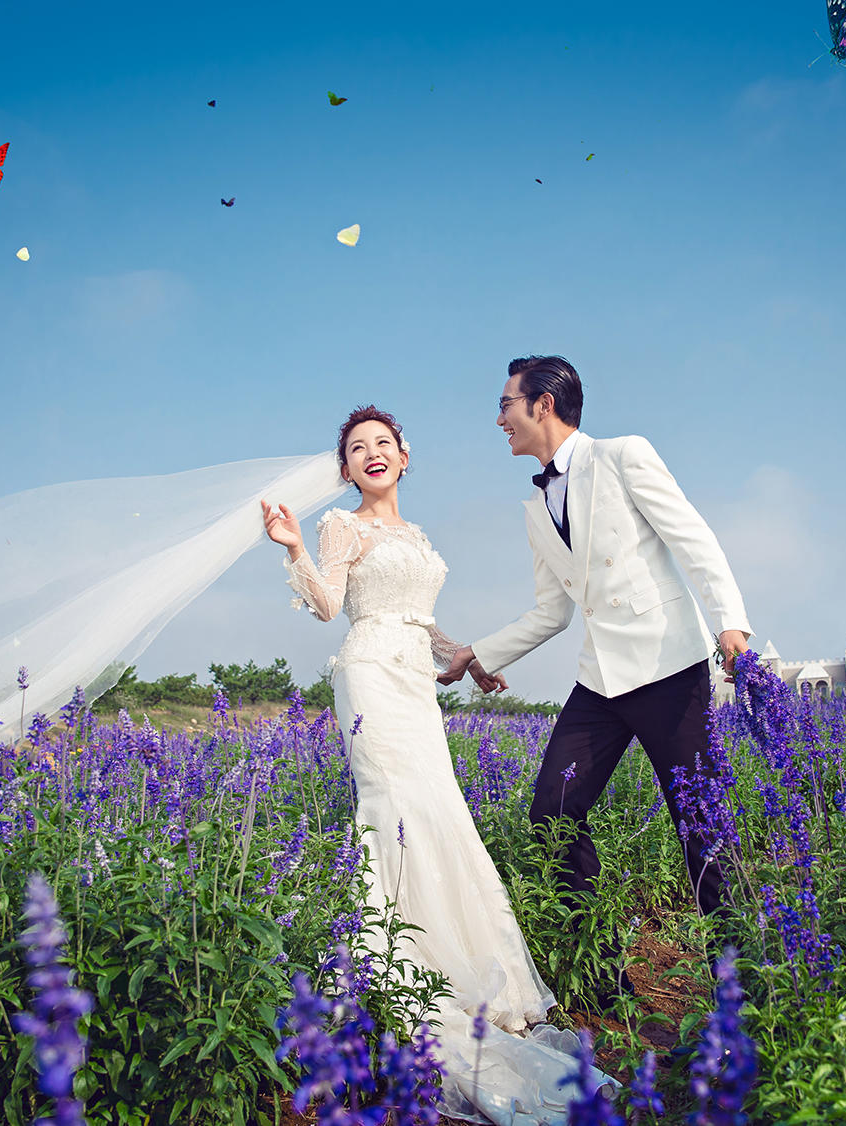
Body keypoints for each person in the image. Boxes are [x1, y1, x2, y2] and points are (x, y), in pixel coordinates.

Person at [263, 404, 612, 1125]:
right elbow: (330, 605)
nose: (371, 453)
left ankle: (464, 967)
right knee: (393, 811)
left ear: (403, 455)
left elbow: (421, 623)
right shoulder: (341, 526)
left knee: (439, 811)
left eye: (382, 443)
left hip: (416, 683)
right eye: (356, 448)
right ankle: (396, 979)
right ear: (345, 468)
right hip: (368, 674)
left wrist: (469, 661)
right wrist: (293, 548)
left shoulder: (415, 535)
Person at [439, 355, 757, 1007]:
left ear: (543, 404)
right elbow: (551, 612)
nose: (499, 419)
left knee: (700, 825)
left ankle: (741, 996)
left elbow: (692, 538)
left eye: (505, 404)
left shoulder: (623, 455)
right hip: (600, 681)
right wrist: (479, 655)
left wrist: (731, 622)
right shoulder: (534, 508)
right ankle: (606, 985)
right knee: (552, 814)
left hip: (668, 667)